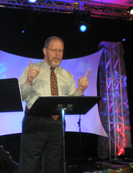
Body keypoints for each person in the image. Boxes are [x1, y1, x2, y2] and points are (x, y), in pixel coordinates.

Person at [18, 36, 90, 173]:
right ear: (45, 51)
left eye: (61, 51)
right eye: (54, 50)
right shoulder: (32, 70)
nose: (57, 54)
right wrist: (28, 81)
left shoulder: (67, 75)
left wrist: (80, 90)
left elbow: (72, 102)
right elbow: (21, 96)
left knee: (54, 168)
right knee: (28, 167)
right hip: (35, 122)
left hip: (57, 124)